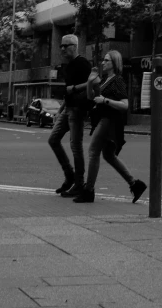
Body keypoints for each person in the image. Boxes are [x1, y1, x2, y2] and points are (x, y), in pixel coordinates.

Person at [73, 50, 147, 205]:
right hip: (103, 119)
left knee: (93, 151)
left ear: (114, 63)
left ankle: (89, 191)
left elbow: (125, 105)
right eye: (103, 60)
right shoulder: (106, 80)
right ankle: (135, 184)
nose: (103, 63)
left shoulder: (117, 81)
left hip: (109, 121)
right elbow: (91, 98)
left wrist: (105, 101)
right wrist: (90, 83)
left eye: (106, 60)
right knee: (108, 155)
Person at [48, 34, 91, 197]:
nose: (62, 49)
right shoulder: (67, 66)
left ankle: (79, 183)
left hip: (78, 110)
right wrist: (61, 109)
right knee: (53, 139)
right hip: (68, 109)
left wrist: (73, 88)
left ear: (74, 46)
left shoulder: (83, 64)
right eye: (61, 46)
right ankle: (70, 176)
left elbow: (93, 83)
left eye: (65, 46)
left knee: (76, 146)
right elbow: (67, 90)